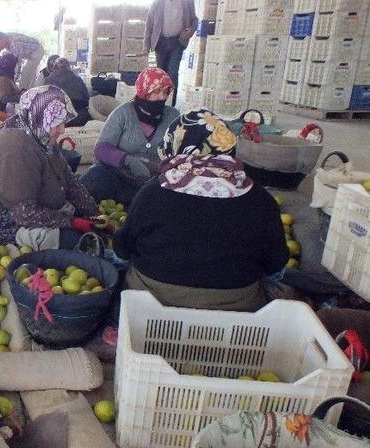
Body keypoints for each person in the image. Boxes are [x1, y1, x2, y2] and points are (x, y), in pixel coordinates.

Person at [114, 109, 290, 311]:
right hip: (236, 305)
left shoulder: (152, 193)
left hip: (155, 298)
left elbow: (123, 249)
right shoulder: (260, 199)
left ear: (175, 144)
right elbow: (276, 264)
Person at [0, 86, 99, 247]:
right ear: (39, 116)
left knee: (88, 231)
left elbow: (69, 180)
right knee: (74, 241)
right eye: (56, 123)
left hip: (26, 213)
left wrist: (94, 214)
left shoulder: (40, 135)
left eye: (63, 122)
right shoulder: (16, 147)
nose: (62, 130)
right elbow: (24, 213)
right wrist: (72, 222)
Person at [80, 67, 180, 206]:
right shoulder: (123, 113)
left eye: (166, 92)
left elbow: (181, 150)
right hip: (120, 177)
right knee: (95, 176)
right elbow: (101, 149)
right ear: (144, 91)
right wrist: (127, 160)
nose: (162, 97)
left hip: (155, 184)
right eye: (156, 91)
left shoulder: (173, 117)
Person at [144, 0, 198, 106]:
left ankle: (170, 104)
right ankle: (159, 103)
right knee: (160, 74)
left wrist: (190, 31)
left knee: (172, 73)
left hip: (177, 42)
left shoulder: (187, 2)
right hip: (160, 42)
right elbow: (149, 23)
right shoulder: (158, 3)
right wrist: (146, 45)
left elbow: (195, 20)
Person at [43, 57, 90, 127]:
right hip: (78, 118)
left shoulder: (47, 81)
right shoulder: (78, 80)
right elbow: (87, 99)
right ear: (69, 67)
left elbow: (43, 102)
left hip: (55, 120)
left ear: (54, 68)